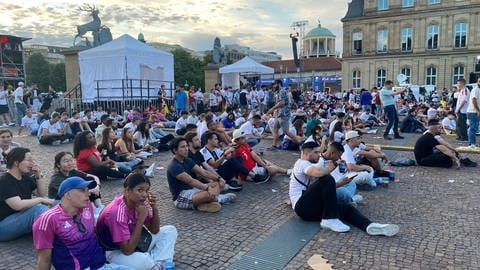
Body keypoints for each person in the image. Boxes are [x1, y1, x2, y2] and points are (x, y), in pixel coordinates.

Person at [289, 141, 399, 236]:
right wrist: (331, 167)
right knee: (327, 178)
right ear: (306, 153)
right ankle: (329, 219)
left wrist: (337, 173)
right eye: (316, 152)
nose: (319, 154)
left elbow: (325, 189)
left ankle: (369, 226)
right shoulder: (302, 163)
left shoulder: (312, 163)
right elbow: (318, 173)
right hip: (302, 208)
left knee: (347, 208)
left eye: (319, 152)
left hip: (312, 208)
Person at [33, 177, 132, 270]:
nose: (88, 193)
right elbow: (44, 260)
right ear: (68, 195)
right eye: (82, 190)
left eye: (88, 190)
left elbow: (94, 232)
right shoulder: (48, 220)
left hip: (103, 265)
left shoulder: (87, 206)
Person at [96, 173, 177, 270]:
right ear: (128, 191)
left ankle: (156, 264)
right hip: (115, 251)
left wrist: (154, 207)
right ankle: (157, 262)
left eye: (147, 190)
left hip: (135, 242)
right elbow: (127, 250)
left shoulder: (141, 202)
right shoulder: (117, 211)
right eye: (140, 190)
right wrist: (140, 219)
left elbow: (154, 230)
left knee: (170, 230)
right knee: (143, 261)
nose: (145, 195)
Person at [167, 137, 236, 212]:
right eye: (183, 147)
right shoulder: (174, 166)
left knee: (217, 184)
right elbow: (191, 181)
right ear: (175, 150)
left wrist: (219, 179)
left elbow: (203, 172)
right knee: (207, 194)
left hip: (192, 189)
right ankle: (220, 199)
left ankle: (203, 204)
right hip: (181, 196)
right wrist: (207, 188)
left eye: (187, 146)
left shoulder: (187, 160)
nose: (186, 149)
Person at [0, 147, 53, 241]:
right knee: (38, 208)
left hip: (18, 218)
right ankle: (53, 239)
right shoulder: (4, 181)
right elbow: (18, 205)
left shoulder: (25, 177)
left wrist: (38, 175)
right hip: (3, 226)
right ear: (16, 163)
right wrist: (40, 200)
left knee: (55, 205)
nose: (32, 163)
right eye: (29, 160)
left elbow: (41, 193)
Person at [266, 79, 295, 150]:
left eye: (274, 84)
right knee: (275, 129)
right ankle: (274, 146)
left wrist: (272, 109)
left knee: (286, 131)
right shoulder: (278, 92)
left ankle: (299, 141)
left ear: (278, 84)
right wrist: (275, 112)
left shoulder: (282, 91)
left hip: (284, 114)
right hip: (279, 114)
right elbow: (278, 103)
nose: (273, 86)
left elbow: (282, 103)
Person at [466, 78, 480, 148]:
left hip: (475, 111)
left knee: (475, 128)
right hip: (473, 111)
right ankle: (472, 144)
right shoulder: (475, 90)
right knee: (473, 128)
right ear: (477, 82)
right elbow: (474, 100)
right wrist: (478, 110)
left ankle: (472, 143)